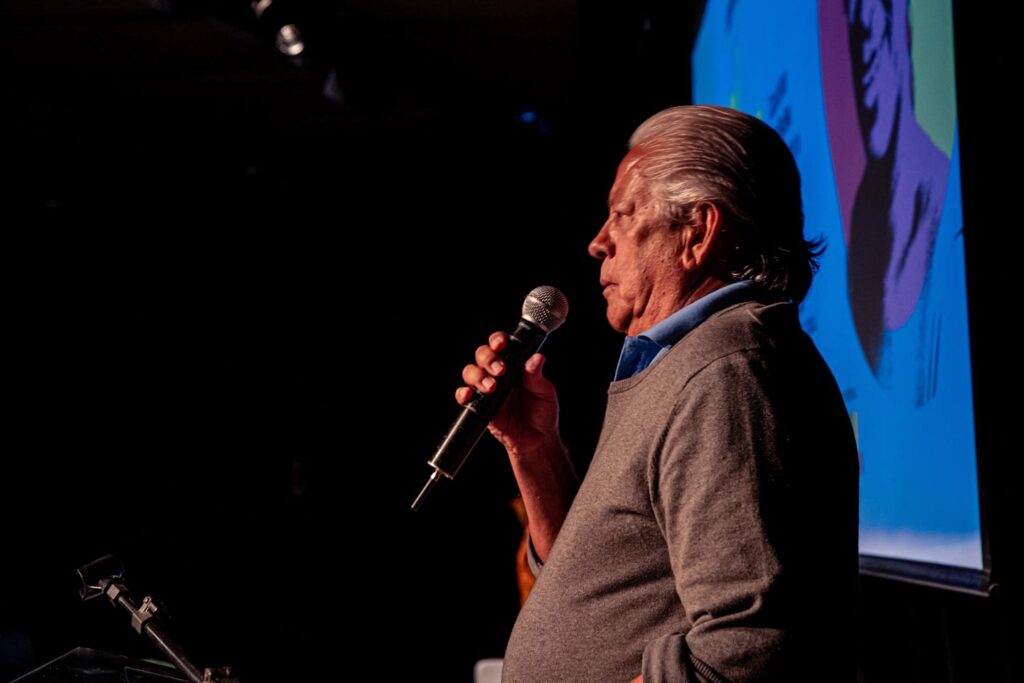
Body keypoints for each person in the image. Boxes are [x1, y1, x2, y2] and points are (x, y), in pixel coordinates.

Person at [456, 105, 859, 682]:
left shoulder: (726, 373)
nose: (598, 242)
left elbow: (747, 647)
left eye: (623, 214)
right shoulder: (689, 363)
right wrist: (535, 448)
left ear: (698, 231)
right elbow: (599, 585)